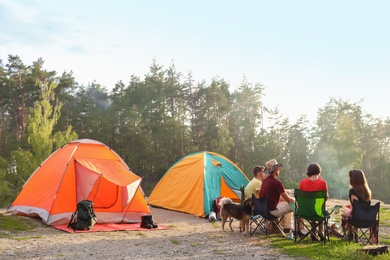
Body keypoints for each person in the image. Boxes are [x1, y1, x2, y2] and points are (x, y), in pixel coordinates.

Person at [342, 169, 377, 243]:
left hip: (357, 219)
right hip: (368, 218)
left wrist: (348, 211)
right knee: (351, 213)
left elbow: (355, 206)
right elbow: (362, 206)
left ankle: (350, 236)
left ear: (353, 180)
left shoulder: (353, 191)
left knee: (345, 213)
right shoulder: (367, 191)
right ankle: (355, 237)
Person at [259, 159, 295, 231]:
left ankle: (277, 228)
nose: (279, 169)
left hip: (263, 210)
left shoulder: (265, 180)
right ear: (276, 169)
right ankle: (295, 229)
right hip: (271, 212)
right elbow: (288, 199)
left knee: (284, 203)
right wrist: (294, 199)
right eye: (279, 168)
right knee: (294, 204)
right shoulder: (276, 182)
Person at [297, 163, 328, 239]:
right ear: (319, 171)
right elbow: (326, 198)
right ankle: (321, 232)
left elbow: (299, 197)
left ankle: (313, 232)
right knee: (321, 210)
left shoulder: (302, 182)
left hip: (305, 211)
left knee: (313, 210)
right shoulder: (323, 183)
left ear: (308, 172)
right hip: (318, 211)